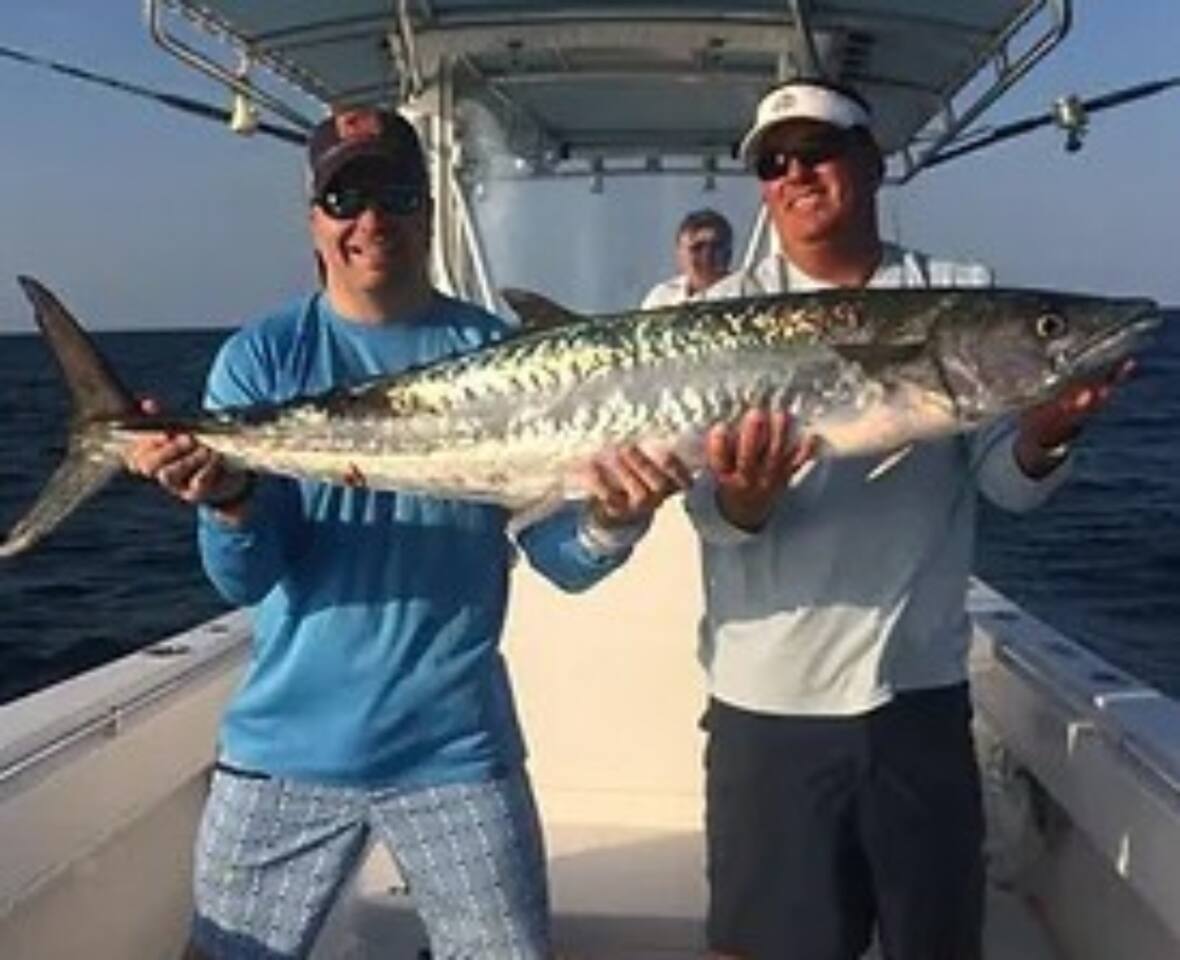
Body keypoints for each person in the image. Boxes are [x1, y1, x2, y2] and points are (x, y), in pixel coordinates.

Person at [125, 107, 687, 960]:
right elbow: (245, 579)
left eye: (393, 193)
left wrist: (615, 519)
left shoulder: (500, 350)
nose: (370, 219)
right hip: (284, 750)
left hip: (455, 751)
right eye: (344, 198)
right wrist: (231, 500)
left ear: (427, 207)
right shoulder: (262, 357)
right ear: (313, 219)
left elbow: (560, 560)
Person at [686, 79, 1131, 960]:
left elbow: (1006, 487)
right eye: (774, 163)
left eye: (819, 151)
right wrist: (745, 498)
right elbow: (710, 516)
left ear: (873, 162)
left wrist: (1047, 433)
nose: (796, 173)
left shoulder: (955, 290)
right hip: (767, 702)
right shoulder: (712, 316)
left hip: (918, 698)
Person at [640, 207, 734, 308]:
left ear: (728, 254)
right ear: (680, 255)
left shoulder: (743, 293)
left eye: (716, 247)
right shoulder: (661, 297)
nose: (707, 254)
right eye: (697, 248)